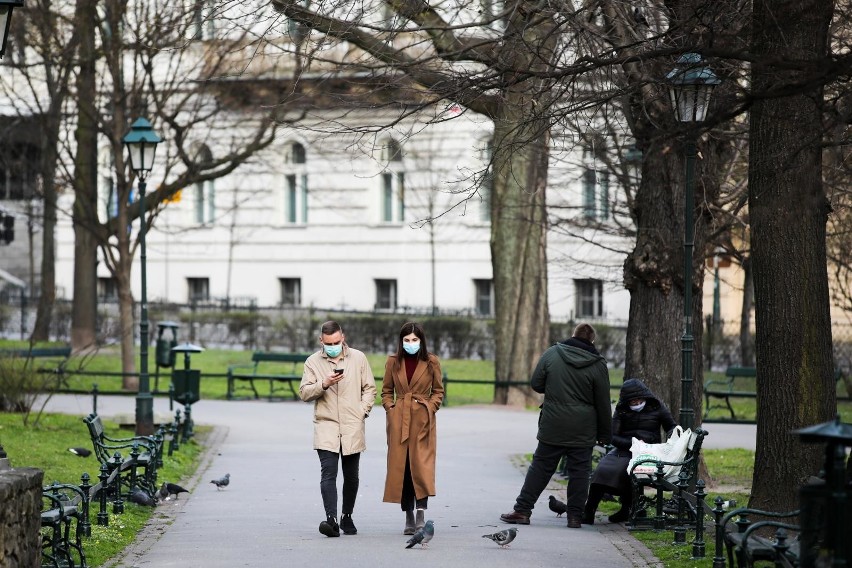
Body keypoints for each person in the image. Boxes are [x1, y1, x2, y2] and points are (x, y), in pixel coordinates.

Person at [500, 322, 612, 529]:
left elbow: (536, 383)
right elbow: (603, 402)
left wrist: (554, 389)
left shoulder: (553, 354)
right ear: (592, 340)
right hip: (583, 428)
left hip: (553, 423)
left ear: (572, 335)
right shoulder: (598, 364)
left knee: (541, 467)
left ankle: (522, 510)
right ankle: (575, 517)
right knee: (580, 472)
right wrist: (605, 434)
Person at [299, 320, 377, 538]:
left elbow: (370, 388)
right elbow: (304, 393)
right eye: (327, 343)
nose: (332, 346)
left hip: (352, 423)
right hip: (326, 424)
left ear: (342, 337)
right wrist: (323, 384)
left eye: (335, 341)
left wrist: (362, 411)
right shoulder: (312, 362)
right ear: (321, 341)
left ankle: (347, 516)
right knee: (329, 473)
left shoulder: (358, 358)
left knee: (351, 476)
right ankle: (331, 520)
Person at [583, 378, 677, 524]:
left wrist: (666, 444)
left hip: (647, 451)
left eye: (639, 400)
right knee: (602, 469)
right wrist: (632, 443)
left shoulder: (656, 407)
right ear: (627, 401)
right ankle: (589, 511)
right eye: (633, 402)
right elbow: (613, 436)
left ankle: (627, 509)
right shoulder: (622, 410)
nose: (637, 404)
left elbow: (671, 426)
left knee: (627, 469)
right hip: (625, 448)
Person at [382, 322, 445, 535]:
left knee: (421, 466)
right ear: (401, 341)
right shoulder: (393, 362)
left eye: (414, 340)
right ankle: (408, 514)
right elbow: (386, 391)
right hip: (399, 419)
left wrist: (430, 408)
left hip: (422, 420)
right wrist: (391, 409)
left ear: (421, 340)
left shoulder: (431, 362)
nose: (410, 344)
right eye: (407, 340)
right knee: (403, 468)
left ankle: (421, 513)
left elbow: (438, 391)